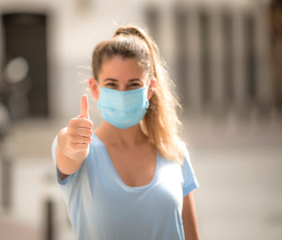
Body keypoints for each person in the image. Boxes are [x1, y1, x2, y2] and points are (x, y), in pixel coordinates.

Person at [51, 25, 201, 240]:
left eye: (133, 85)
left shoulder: (174, 151)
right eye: (111, 84)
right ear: (95, 89)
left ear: (149, 89)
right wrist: (71, 139)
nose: (122, 94)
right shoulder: (82, 148)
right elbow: (68, 150)